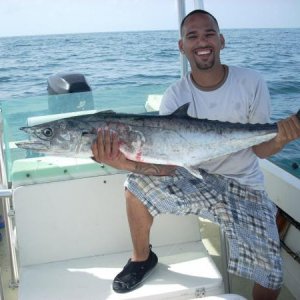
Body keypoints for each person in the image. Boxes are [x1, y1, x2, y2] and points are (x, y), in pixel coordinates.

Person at [92, 9, 300, 300]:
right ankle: (141, 258)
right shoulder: (175, 95)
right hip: (198, 179)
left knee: (272, 277)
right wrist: (120, 162)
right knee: (134, 186)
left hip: (245, 186)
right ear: (182, 46)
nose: (202, 41)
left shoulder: (251, 82)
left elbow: (260, 149)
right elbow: (165, 167)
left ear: (222, 40)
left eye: (209, 34)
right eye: (192, 36)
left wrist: (282, 139)